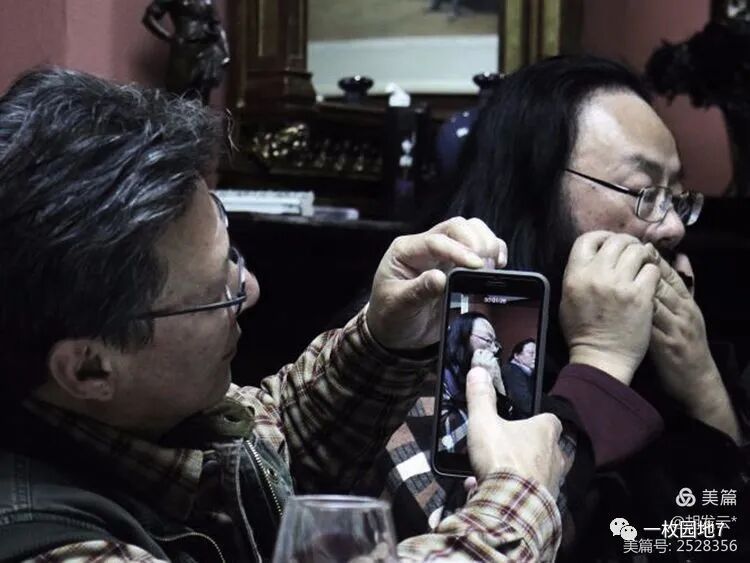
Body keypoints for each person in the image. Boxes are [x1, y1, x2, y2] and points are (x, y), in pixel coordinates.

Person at [0, 67, 571, 562]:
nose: (249, 290)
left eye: (233, 256)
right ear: (89, 369)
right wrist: (515, 500)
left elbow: (267, 436)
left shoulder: (136, 410)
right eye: (216, 293)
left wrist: (383, 339)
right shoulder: (43, 543)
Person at [361, 55, 749, 561]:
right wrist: (600, 364)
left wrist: (704, 389)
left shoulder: (677, 349)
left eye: (676, 198)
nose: (673, 226)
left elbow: (706, 537)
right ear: (536, 192)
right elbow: (470, 543)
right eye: (642, 192)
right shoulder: (441, 344)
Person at [438, 312, 510, 453]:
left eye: (495, 343)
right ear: (462, 338)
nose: (494, 349)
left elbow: (507, 427)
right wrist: (479, 380)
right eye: (488, 340)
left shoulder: (489, 374)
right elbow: (451, 443)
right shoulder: (440, 377)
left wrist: (499, 384)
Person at [143, 0, 230, 104]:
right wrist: (168, 37)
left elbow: (217, 25)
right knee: (180, 89)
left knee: (203, 90)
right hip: (185, 47)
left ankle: (201, 113)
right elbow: (149, 18)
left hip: (207, 47)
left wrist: (225, 51)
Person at [502, 338, 536, 415]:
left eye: (536, 354)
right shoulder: (512, 371)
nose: (535, 357)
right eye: (531, 353)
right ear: (516, 355)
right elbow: (525, 404)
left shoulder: (523, 372)